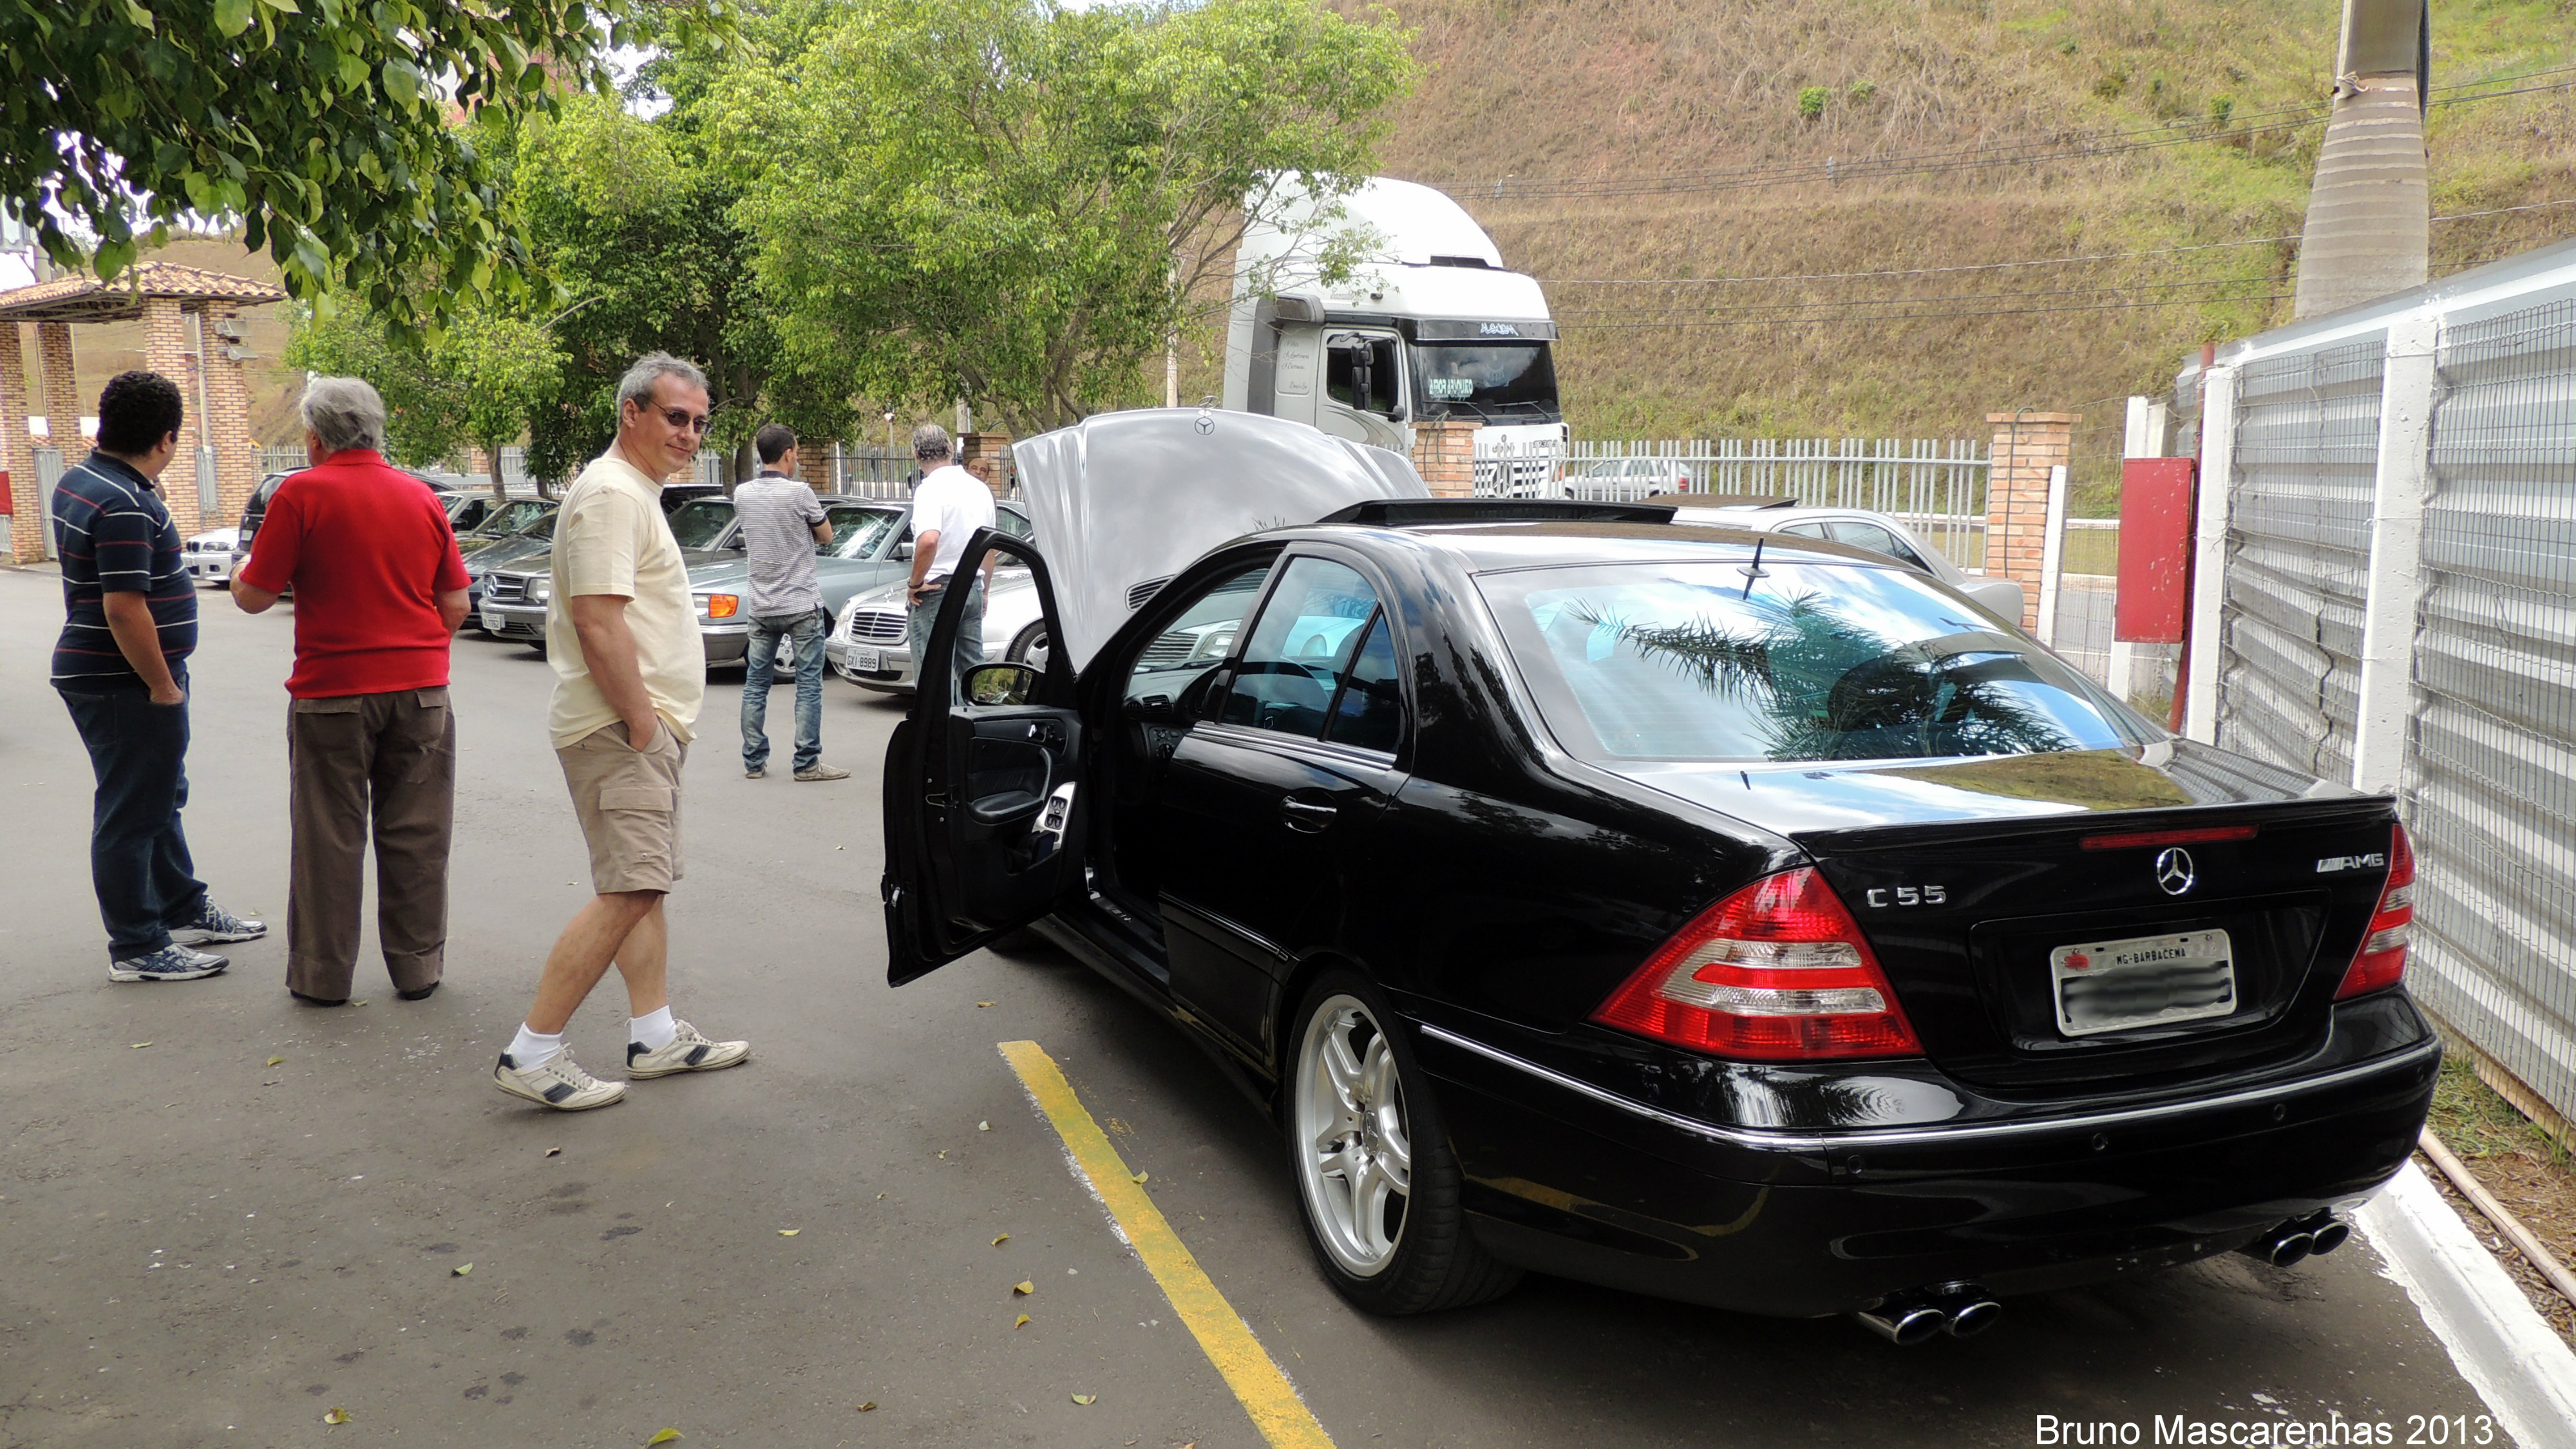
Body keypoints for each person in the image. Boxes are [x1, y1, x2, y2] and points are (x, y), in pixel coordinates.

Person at [495, 352, 750, 1112]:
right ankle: (533, 1050)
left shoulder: (631, 491)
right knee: (633, 885)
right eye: (676, 417)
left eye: (700, 423)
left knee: (642, 887)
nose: (690, 435)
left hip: (635, 726)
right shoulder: (611, 494)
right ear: (631, 413)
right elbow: (597, 620)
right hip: (620, 728)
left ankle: (655, 1033)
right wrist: (643, 724)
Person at [231, 377, 471, 1006]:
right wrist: (413, 649)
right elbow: (456, 603)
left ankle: (323, 976)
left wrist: (237, 574)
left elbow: (256, 596)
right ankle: (418, 967)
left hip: (331, 695)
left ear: (314, 438)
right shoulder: (421, 497)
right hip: (422, 694)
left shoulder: (300, 494)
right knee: (418, 835)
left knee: (328, 838)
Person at [49, 370, 264, 981]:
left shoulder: (81, 479)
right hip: (126, 681)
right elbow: (124, 607)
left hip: (108, 674)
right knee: (131, 811)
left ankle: (181, 907)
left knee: (159, 796)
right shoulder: (123, 502)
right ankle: (139, 947)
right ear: (167, 438)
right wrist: (163, 684)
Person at [732, 422, 848, 782]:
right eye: (797, 452)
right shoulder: (800, 493)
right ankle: (807, 763)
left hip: (762, 604)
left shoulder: (743, 494)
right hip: (800, 604)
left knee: (756, 684)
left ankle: (754, 761)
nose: (798, 459)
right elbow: (826, 536)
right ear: (787, 454)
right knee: (809, 685)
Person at [904, 424, 998, 695]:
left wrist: (915, 583)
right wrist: (985, 591)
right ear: (950, 451)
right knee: (973, 674)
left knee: (934, 679)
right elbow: (989, 550)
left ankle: (938, 735)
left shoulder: (930, 489)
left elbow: (929, 540)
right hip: (972, 585)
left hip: (937, 590)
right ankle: (978, 729)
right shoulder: (978, 488)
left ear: (916, 455)